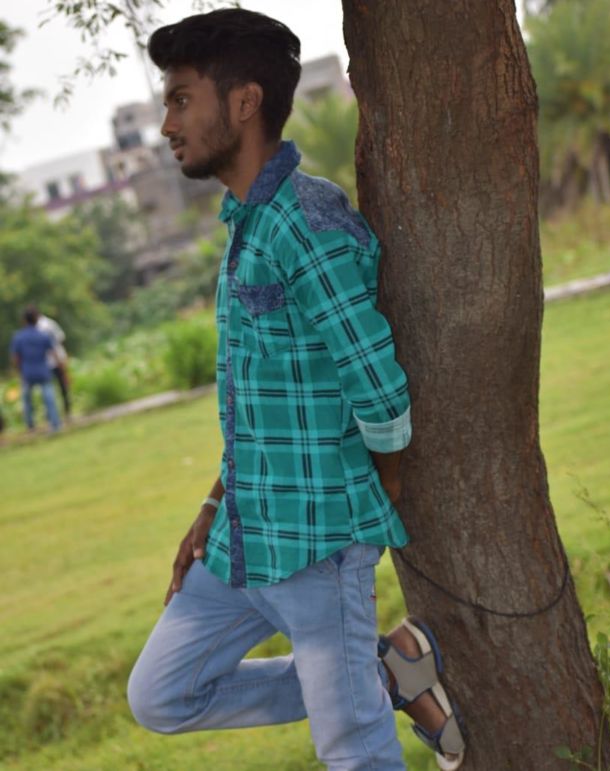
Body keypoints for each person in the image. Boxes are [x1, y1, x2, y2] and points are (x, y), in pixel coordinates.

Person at [127, 10, 465, 771]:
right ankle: (387, 672)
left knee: (354, 749)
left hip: (317, 545)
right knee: (161, 695)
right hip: (242, 537)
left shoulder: (306, 222)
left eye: (180, 100)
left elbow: (375, 380)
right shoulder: (248, 222)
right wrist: (213, 502)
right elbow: (262, 400)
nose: (167, 124)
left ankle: (369, 681)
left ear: (244, 102)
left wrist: (368, 503)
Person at [10, 306, 61, 432]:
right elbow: (54, 353)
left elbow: (15, 358)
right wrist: (59, 367)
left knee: (27, 400)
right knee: (49, 399)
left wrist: (18, 370)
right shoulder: (43, 335)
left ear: (24, 320)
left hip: (27, 372)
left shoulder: (19, 337)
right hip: (43, 370)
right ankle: (55, 424)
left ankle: (30, 426)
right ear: (37, 319)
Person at [36, 309, 72, 418]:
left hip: (47, 361)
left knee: (48, 388)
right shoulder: (50, 323)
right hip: (57, 358)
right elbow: (61, 339)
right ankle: (67, 411)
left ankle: (51, 414)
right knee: (62, 386)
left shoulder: (37, 327)